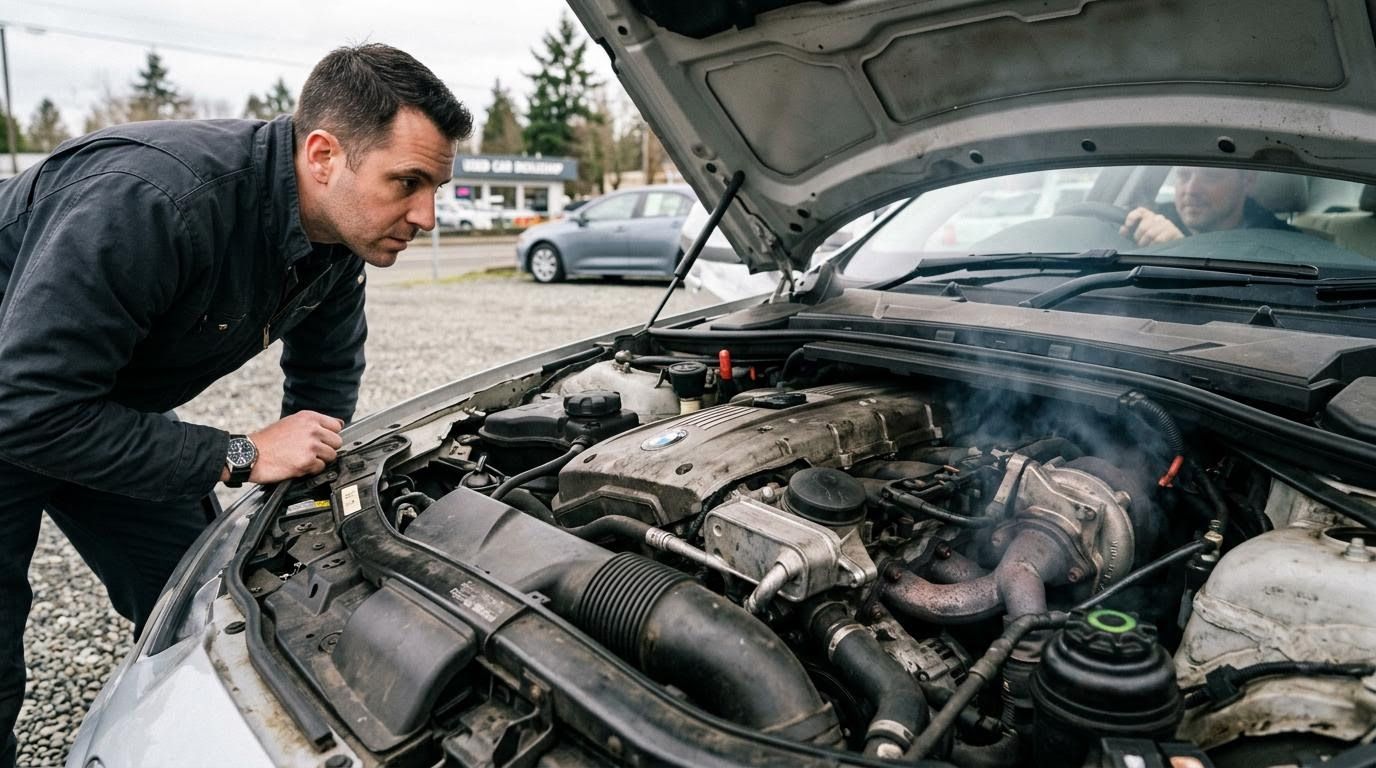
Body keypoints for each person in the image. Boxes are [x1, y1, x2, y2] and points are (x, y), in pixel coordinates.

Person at [0, 43, 471, 766]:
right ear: (322, 156)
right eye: (406, 182)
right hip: (19, 400)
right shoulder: (155, 200)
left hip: (93, 405)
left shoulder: (337, 240)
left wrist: (317, 499)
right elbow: (24, 407)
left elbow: (323, 380)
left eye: (434, 187)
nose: (427, 215)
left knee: (200, 610)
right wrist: (239, 453)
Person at [1120, 166, 1296, 246]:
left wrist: (1180, 250)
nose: (1191, 189)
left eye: (1211, 176)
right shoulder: (1146, 223)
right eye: (1183, 175)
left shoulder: (1284, 247)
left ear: (1248, 181)